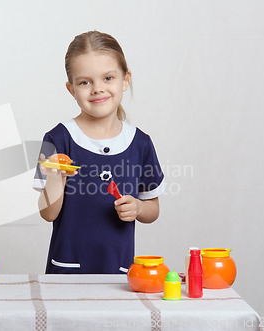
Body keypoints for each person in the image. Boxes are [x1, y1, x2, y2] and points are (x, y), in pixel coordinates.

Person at [33, 31, 166, 274]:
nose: (97, 89)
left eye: (108, 78)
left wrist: (137, 207)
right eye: (85, 82)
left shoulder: (140, 143)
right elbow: (48, 214)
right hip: (67, 271)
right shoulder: (57, 139)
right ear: (71, 89)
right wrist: (55, 178)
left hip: (120, 274)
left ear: (125, 80)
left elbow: (152, 209)